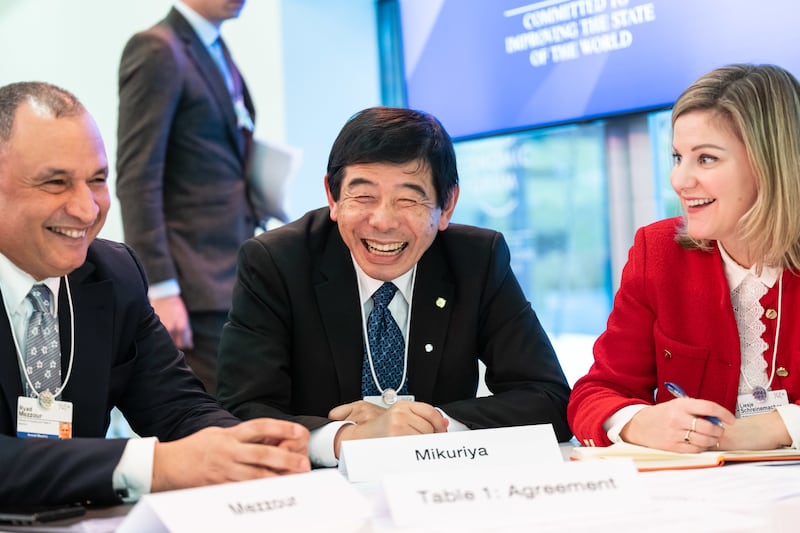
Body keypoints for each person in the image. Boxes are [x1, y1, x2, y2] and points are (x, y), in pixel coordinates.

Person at [0, 81, 309, 506]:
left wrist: (251, 450)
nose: (87, 209)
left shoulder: (113, 274)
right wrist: (156, 466)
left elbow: (178, 410)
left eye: (97, 180)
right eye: (56, 183)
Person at [217, 106, 572, 467]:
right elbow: (240, 410)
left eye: (408, 199)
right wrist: (345, 438)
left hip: (443, 482)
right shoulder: (277, 262)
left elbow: (548, 397)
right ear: (333, 196)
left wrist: (429, 428)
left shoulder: (477, 260)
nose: (383, 222)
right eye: (364, 196)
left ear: (447, 204)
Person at [568, 64, 800, 453]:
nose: (679, 179)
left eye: (706, 159)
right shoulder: (657, 251)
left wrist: (772, 428)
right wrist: (639, 423)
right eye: (678, 157)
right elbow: (597, 392)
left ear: (771, 163)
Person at [116, 0, 259, 395]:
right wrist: (160, 289)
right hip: (192, 285)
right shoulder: (158, 49)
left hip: (231, 272)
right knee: (216, 421)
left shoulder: (215, 48)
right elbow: (136, 177)